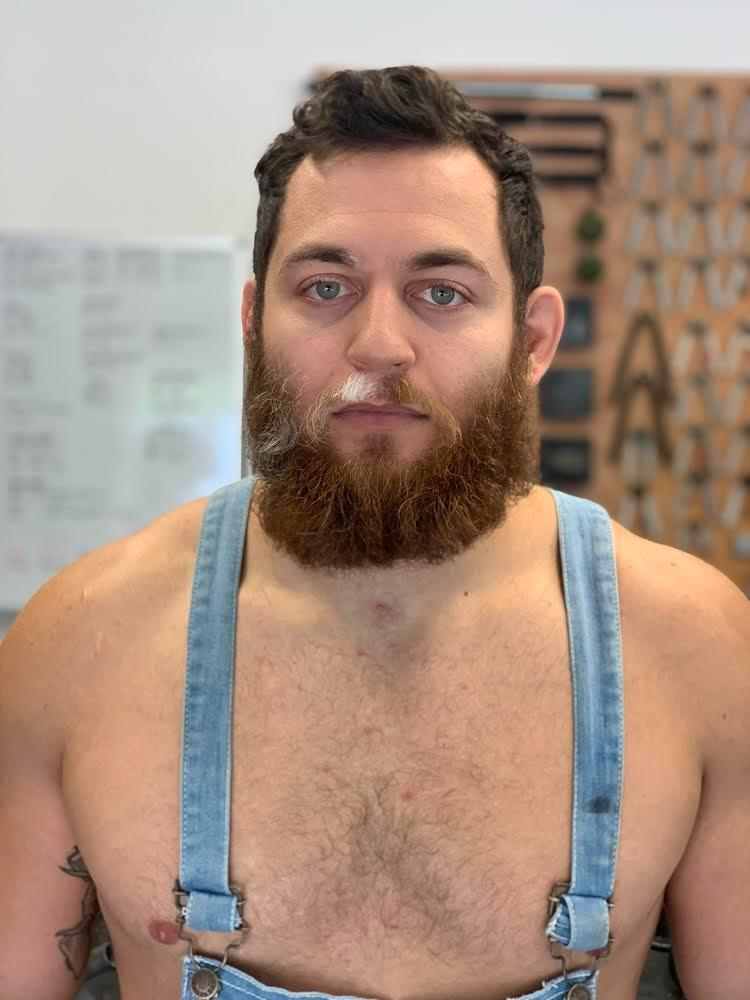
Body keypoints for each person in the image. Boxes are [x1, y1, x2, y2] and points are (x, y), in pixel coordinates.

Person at [0, 65, 748, 1000]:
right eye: (326, 287)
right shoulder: (78, 644)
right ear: (252, 322)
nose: (378, 345)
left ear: (532, 340)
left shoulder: (695, 650)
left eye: (442, 293)